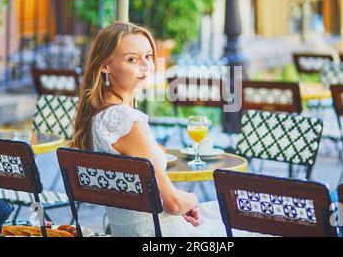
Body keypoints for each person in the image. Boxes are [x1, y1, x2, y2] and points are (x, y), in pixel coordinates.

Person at [71, 22, 261, 237]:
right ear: (105, 65)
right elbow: (174, 203)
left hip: (134, 230)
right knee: (257, 223)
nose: (145, 65)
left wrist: (180, 206)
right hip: (163, 235)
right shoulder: (124, 120)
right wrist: (191, 199)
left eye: (149, 57)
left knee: (235, 212)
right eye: (132, 59)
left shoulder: (98, 117)